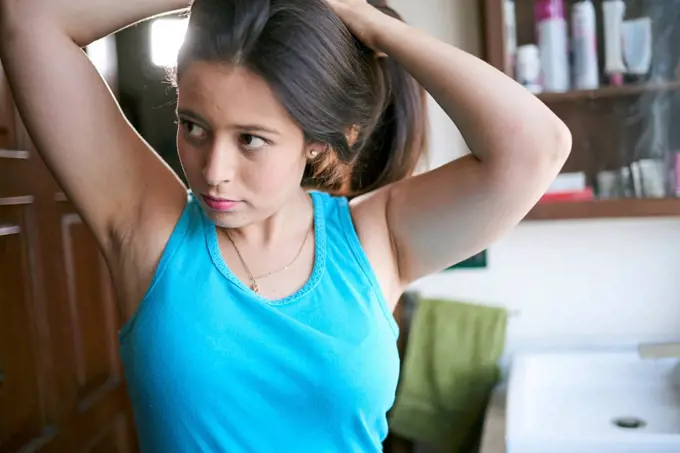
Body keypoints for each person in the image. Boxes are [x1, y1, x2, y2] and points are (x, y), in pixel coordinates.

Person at [0, 0, 571, 451]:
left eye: (250, 139)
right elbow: (29, 17)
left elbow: (537, 147)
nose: (212, 171)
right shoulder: (145, 231)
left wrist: (368, 23)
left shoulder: (377, 241)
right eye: (193, 126)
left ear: (322, 142)